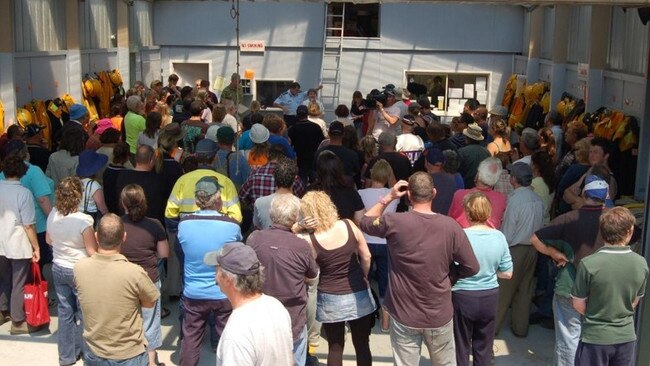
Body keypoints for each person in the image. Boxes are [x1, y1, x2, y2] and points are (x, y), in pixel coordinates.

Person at [360, 173, 479, 366]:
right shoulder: (451, 226)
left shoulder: (394, 222)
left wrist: (389, 197)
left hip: (403, 312)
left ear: (408, 196)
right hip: (438, 312)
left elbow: (366, 221)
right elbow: (472, 266)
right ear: (433, 193)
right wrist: (450, 278)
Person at [530, 175, 610, 366]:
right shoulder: (613, 220)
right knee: (595, 340)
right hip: (603, 290)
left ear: (584, 193)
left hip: (570, 287)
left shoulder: (568, 218)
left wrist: (554, 253)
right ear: (607, 195)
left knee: (568, 339)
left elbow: (535, 238)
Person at [297, 191, 375, 366]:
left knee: (335, 346)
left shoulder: (309, 240)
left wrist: (297, 227)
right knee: (362, 344)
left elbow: (310, 270)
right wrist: (363, 276)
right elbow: (367, 257)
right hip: (357, 290)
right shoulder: (348, 224)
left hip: (329, 294)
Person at [74, 214, 160, 365]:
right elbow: (150, 303)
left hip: (93, 352)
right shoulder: (135, 272)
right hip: (129, 355)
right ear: (124, 237)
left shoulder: (79, 268)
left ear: (96, 236)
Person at [247, 194, 319, 366]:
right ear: (295, 217)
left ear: (272, 215)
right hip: (292, 319)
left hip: (261, 317)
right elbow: (312, 276)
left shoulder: (254, 239)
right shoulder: (302, 246)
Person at [177, 177, 242, 366]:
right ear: (218, 198)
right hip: (224, 292)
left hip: (193, 293)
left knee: (190, 339)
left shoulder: (184, 224)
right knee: (227, 341)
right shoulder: (231, 225)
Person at [571, 207, 648, 366]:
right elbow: (635, 301)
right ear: (630, 232)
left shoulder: (589, 264)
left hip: (595, 336)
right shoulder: (641, 263)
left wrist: (597, 312)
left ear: (602, 231)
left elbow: (578, 304)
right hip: (626, 337)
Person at [203, 242, 293, 365]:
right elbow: (289, 358)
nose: (215, 276)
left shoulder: (236, 333)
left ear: (228, 280)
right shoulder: (276, 306)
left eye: (217, 269)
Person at [452, 192, 513, 366]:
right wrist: (491, 272)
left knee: (460, 345)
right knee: (484, 347)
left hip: (462, 296)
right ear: (488, 212)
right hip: (489, 296)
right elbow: (508, 273)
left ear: (467, 212)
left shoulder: (459, 236)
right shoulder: (499, 237)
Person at [46, 177, 98, 364]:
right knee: (85, 313)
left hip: (59, 267)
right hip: (80, 269)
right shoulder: (84, 220)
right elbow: (92, 251)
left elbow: (49, 241)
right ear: (78, 196)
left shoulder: (53, 213)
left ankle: (66, 357)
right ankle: (88, 354)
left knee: (65, 313)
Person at [119, 184, 169, 366]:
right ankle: (150, 361)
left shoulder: (116, 223)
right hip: (149, 278)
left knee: (126, 321)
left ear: (123, 203)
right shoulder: (154, 225)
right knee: (150, 322)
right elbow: (164, 253)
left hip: (123, 280)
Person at [495, 162, 545, 338]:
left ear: (513, 179)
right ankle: (520, 328)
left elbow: (507, 233)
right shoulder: (537, 199)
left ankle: (492, 329)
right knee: (525, 290)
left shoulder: (515, 201)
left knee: (504, 291)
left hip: (515, 249)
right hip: (534, 248)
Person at [0, 155, 40, 334]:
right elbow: (28, 225)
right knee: (19, 282)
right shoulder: (23, 193)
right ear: (22, 172)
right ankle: (17, 320)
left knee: (4, 279)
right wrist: (36, 247)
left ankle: (3, 311)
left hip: (0, 241)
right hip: (17, 243)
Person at [357, 159, 398, 300]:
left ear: (372, 173)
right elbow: (395, 186)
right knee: (384, 280)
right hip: (385, 242)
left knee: (364, 277)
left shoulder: (360, 193)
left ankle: (365, 304)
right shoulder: (392, 194)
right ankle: (384, 309)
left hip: (365, 241)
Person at [448, 157, 507, 229]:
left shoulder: (459, 195)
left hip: (461, 237)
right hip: (488, 238)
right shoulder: (502, 199)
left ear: (478, 175)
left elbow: (450, 220)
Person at [115, 145, 167, 224]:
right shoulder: (157, 180)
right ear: (152, 160)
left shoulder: (122, 175)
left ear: (135, 158)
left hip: (126, 223)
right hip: (150, 225)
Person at [309, 151, 365, 224]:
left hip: (318, 233)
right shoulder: (351, 192)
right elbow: (360, 219)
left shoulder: (309, 192)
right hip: (344, 233)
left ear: (319, 170)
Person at [239, 147, 305, 208]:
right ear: (284, 158)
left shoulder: (254, 175)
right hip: (285, 217)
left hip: (259, 218)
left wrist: (252, 206)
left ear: (268, 157)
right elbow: (302, 198)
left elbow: (242, 196)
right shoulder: (291, 176)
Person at [253, 158, 301, 230]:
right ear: (295, 178)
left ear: (274, 177)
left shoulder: (259, 203)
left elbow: (257, 227)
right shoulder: (302, 204)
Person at [288, 105, 325, 182]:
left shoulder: (293, 128)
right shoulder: (316, 127)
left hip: (300, 158)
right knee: (314, 180)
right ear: (307, 114)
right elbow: (322, 142)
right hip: (313, 156)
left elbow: (290, 144)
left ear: (297, 114)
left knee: (302, 179)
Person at [76, 150, 109, 224]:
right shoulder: (93, 185)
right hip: (88, 222)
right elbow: (103, 209)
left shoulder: (75, 181)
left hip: (76, 220)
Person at [457, 123, 490, 189]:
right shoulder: (486, 152)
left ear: (467, 137)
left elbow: (457, 170)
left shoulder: (462, 152)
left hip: (465, 186)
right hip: (481, 186)